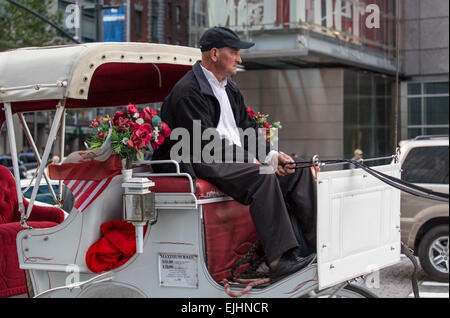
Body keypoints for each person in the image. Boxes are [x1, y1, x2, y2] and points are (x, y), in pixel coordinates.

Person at [153, 27, 316, 279]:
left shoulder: (230, 89)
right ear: (215, 53)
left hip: (229, 158)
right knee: (262, 176)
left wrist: (273, 156)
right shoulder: (188, 91)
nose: (239, 59)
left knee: (299, 167)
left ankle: (313, 244)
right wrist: (249, 160)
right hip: (201, 159)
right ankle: (278, 259)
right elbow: (205, 143)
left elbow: (248, 129)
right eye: (235, 53)